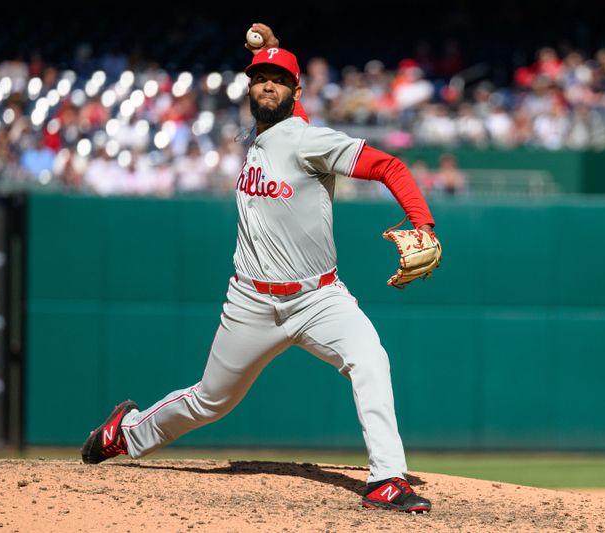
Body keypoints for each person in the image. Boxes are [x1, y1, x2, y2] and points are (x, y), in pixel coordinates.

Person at [81, 23, 437, 514]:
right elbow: (278, 115)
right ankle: (127, 432)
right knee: (211, 401)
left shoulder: (308, 139)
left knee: (370, 359)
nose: (266, 84)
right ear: (250, 89)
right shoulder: (260, 134)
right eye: (259, 78)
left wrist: (424, 223)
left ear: (296, 90)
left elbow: (390, 167)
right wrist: (270, 44)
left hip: (318, 298)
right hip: (250, 300)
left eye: (277, 78)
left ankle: (387, 480)